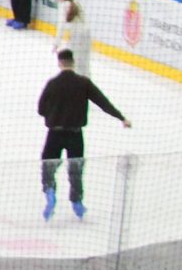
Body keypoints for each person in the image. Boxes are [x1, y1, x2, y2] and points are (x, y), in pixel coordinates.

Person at [40, 49, 130, 219]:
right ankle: (77, 202)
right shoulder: (84, 83)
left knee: (48, 164)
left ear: (59, 63)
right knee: (76, 168)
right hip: (75, 134)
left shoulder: (52, 84)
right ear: (73, 63)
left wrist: (54, 113)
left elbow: (41, 109)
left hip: (55, 133)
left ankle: (50, 192)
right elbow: (103, 102)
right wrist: (121, 118)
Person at [57, 0, 94, 75]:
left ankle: (76, 79)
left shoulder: (65, 5)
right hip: (86, 33)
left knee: (75, 60)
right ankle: (86, 79)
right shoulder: (76, 1)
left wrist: (57, 42)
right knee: (84, 61)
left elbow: (61, 25)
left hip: (76, 35)